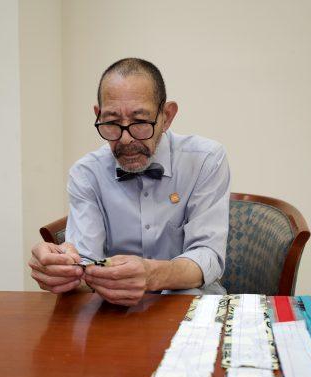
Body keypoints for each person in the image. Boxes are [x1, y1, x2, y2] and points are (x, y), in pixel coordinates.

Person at [28, 58, 230, 306]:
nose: (125, 139)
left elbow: (209, 256)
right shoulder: (86, 173)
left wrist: (153, 274)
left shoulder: (205, 160)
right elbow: (85, 261)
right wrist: (62, 270)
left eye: (140, 122)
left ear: (166, 117)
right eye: (112, 122)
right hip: (114, 311)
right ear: (98, 115)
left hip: (190, 305)